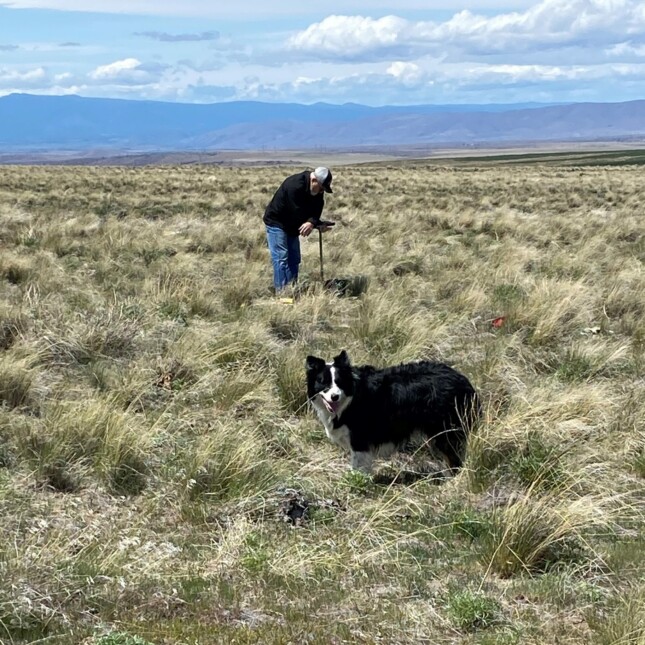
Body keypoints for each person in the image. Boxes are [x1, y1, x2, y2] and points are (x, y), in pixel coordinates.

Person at [263, 166, 333, 293]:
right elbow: (296, 212)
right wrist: (313, 224)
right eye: (322, 188)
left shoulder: (317, 192)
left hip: (292, 226)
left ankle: (292, 290)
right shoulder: (294, 185)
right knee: (281, 258)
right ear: (314, 181)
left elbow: (316, 209)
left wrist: (314, 223)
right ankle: (283, 295)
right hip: (277, 222)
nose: (322, 192)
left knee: (294, 259)